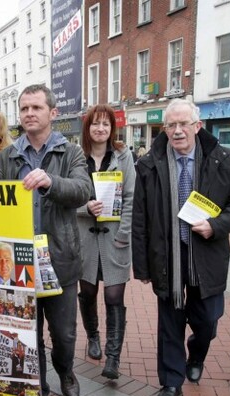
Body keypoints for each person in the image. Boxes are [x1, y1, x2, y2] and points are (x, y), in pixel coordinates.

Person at [132, 98, 230, 396]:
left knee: (209, 320)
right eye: (171, 125)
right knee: (170, 323)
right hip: (168, 255)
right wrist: (142, 266)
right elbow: (140, 217)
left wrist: (215, 226)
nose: (178, 131)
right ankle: (171, 382)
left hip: (207, 253)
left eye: (184, 124)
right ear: (165, 129)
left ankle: (197, 353)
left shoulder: (223, 159)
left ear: (197, 126)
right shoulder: (149, 164)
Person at [0, 84, 91, 396]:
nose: (29, 114)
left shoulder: (71, 152)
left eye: (36, 107)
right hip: (19, 260)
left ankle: (66, 371)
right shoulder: (7, 157)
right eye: (24, 108)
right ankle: (39, 386)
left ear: (53, 112)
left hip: (60, 259)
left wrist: (51, 182)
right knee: (27, 332)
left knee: (64, 333)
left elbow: (82, 190)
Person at [76, 105, 136, 379]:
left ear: (112, 128)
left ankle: (113, 358)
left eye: (106, 124)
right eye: (95, 123)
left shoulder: (123, 156)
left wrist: (124, 233)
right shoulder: (76, 157)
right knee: (88, 292)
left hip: (115, 238)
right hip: (84, 239)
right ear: (87, 127)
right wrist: (85, 208)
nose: (100, 129)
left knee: (114, 296)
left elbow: (131, 197)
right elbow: (67, 197)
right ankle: (93, 336)